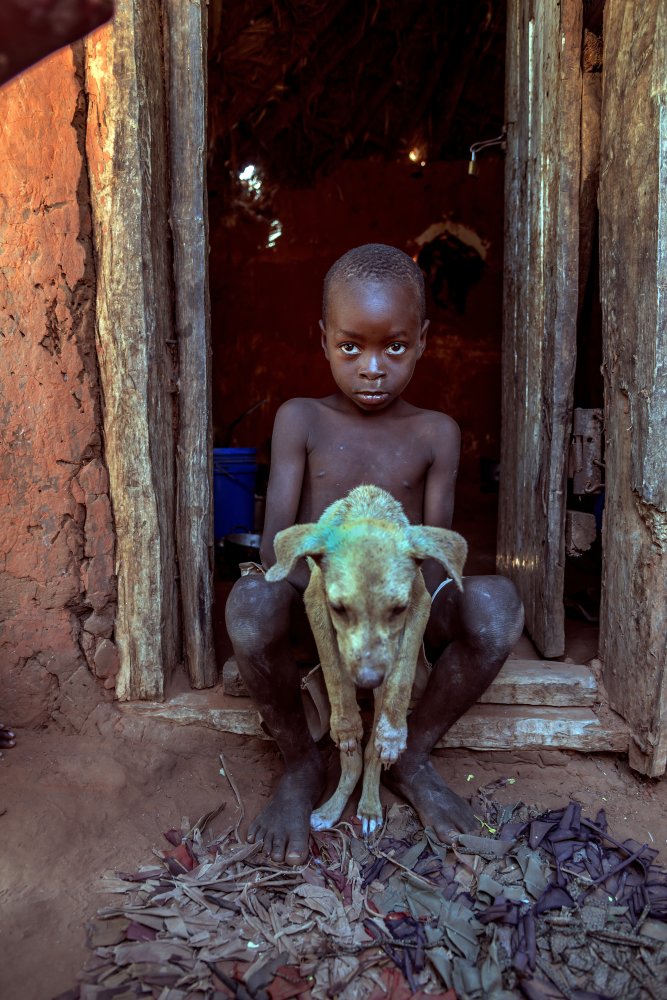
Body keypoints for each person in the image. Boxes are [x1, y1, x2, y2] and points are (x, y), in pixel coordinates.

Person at [225, 243, 524, 865]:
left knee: (496, 608)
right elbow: (282, 543)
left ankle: (411, 755)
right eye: (351, 346)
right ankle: (303, 763)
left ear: (422, 342)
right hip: (322, 606)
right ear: (324, 339)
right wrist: (321, 607)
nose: (372, 368)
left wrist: (397, 623)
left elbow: (433, 560)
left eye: (394, 347)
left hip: (398, 614)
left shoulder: (436, 432)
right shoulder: (299, 419)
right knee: (250, 607)